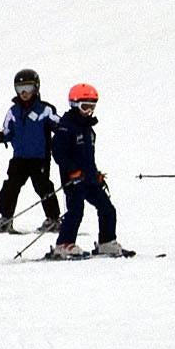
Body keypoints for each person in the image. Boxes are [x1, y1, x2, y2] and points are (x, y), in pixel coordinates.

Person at [49, 83, 128, 259]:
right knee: (76, 211)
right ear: (74, 105)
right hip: (73, 179)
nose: (89, 111)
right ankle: (64, 244)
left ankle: (106, 242)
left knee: (107, 208)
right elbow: (58, 153)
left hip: (89, 178)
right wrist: (72, 171)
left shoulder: (87, 128)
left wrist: (95, 173)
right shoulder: (66, 127)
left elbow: (87, 156)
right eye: (85, 107)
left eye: (92, 107)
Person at [0, 69, 62, 233]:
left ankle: (53, 219)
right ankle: (5, 218)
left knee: (43, 187)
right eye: (20, 88)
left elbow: (59, 125)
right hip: (19, 158)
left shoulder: (45, 110)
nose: (24, 92)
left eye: (28, 88)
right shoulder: (13, 111)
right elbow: (9, 131)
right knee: (10, 187)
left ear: (36, 88)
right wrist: (0, 136)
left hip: (39, 158)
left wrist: (68, 132)